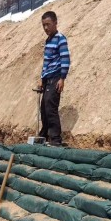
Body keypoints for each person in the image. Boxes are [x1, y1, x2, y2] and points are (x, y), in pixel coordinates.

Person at [37, 11, 70, 147]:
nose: (46, 28)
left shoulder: (60, 38)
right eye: (44, 25)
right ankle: (44, 135)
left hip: (56, 78)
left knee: (51, 108)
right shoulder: (48, 40)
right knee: (43, 107)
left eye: (48, 24)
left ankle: (56, 139)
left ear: (55, 23)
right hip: (47, 78)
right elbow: (46, 62)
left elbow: (65, 59)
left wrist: (62, 78)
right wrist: (41, 78)